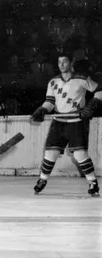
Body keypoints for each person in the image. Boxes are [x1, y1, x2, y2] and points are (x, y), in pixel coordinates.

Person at [30, 55, 101, 197]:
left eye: (65, 62)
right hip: (58, 122)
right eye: (59, 62)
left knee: (80, 154)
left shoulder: (81, 79)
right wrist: (42, 109)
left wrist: (91, 107)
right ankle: (42, 180)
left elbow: (99, 92)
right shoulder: (53, 82)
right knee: (50, 153)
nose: (62, 65)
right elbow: (49, 102)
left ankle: (93, 182)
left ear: (71, 63)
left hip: (76, 122)